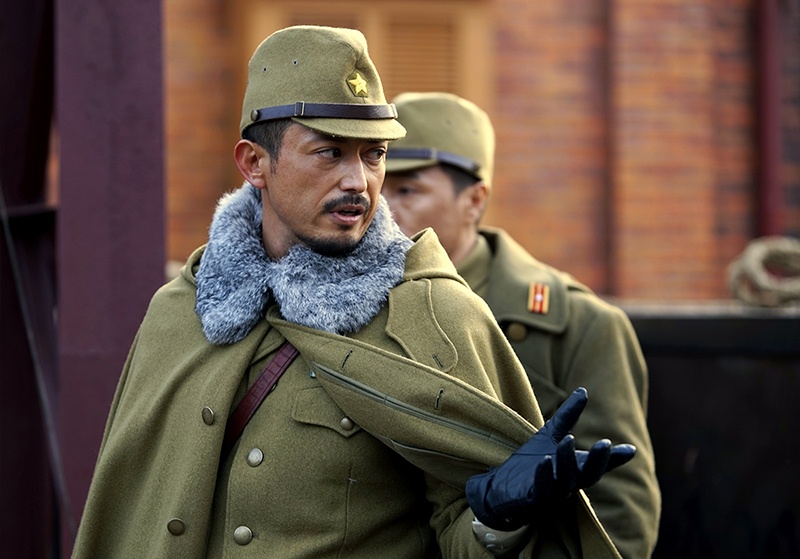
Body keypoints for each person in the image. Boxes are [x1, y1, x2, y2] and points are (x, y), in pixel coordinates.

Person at [72, 27, 635, 558]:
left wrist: (499, 518)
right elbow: (126, 512)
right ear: (254, 163)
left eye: (374, 154)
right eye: (330, 152)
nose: (358, 182)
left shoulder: (438, 315)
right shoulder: (180, 310)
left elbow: (460, 536)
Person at [382, 92, 661, 558]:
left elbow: (619, 521)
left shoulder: (576, 326)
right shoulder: (352, 308)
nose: (382, 208)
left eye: (407, 191)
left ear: (474, 200)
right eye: (378, 185)